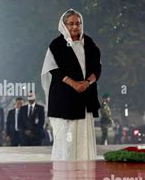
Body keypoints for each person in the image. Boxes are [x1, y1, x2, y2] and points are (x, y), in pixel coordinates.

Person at [41, 9, 101, 160]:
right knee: (67, 139)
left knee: (83, 137)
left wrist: (87, 83)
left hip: (85, 98)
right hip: (64, 100)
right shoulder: (57, 45)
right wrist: (74, 84)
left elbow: (97, 68)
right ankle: (66, 174)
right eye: (71, 24)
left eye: (78, 23)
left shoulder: (89, 43)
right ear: (64, 25)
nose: (75, 27)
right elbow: (53, 69)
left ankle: (85, 175)